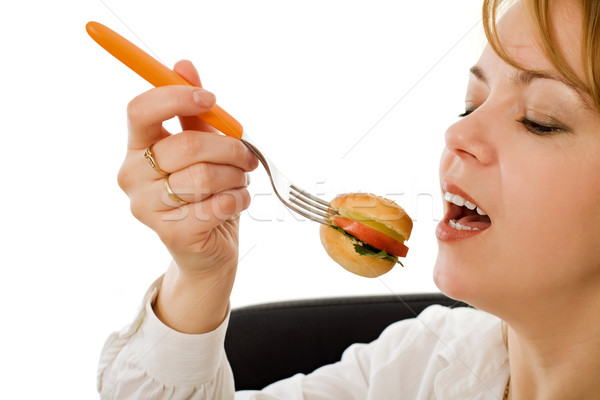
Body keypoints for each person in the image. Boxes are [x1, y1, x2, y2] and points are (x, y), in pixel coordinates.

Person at [97, 0, 600, 398]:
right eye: (471, 104)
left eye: (540, 120)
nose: (457, 131)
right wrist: (199, 275)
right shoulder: (417, 367)